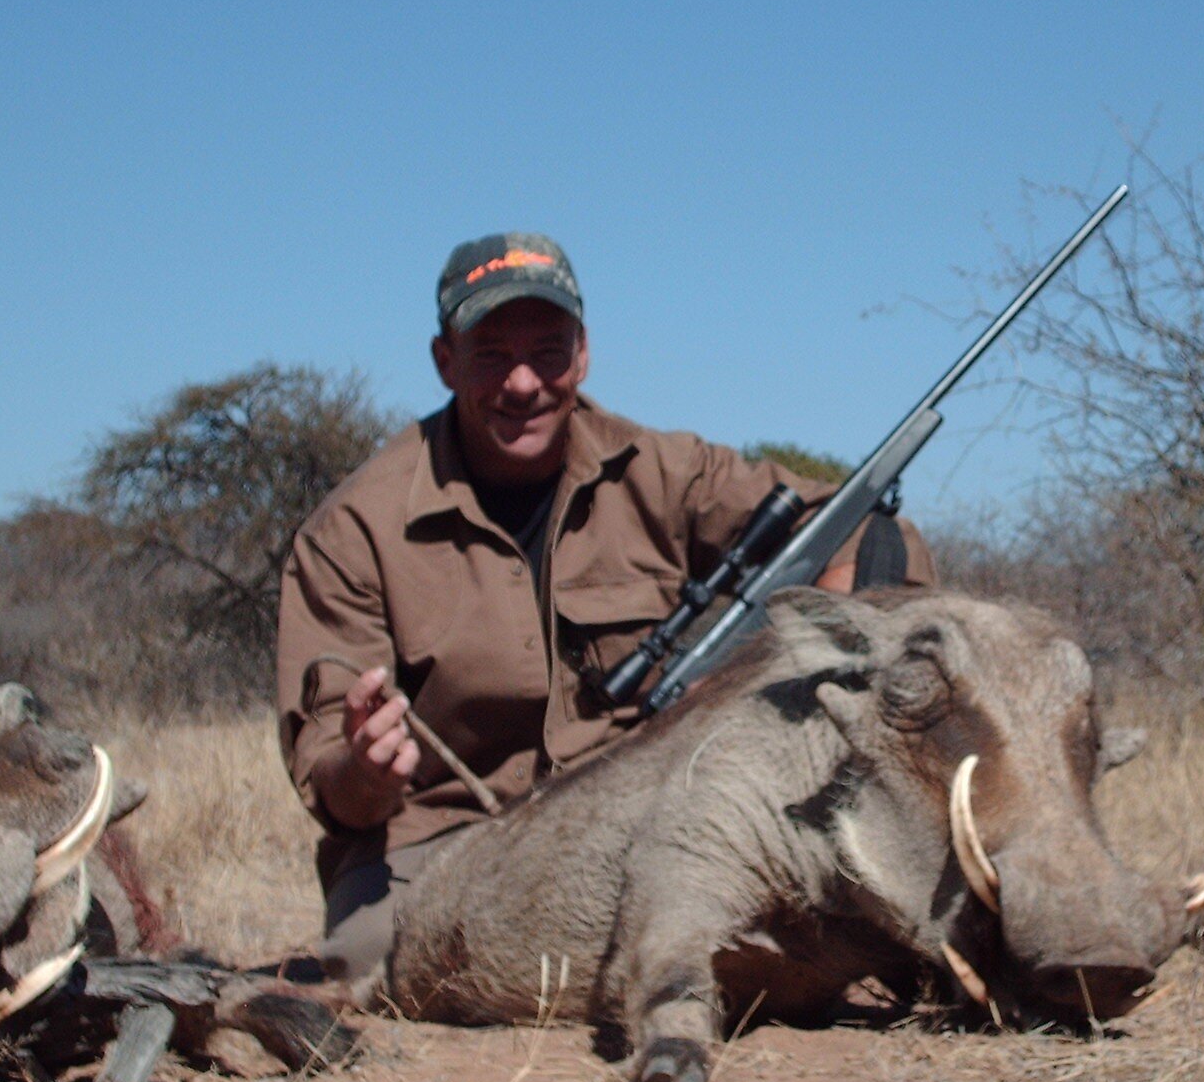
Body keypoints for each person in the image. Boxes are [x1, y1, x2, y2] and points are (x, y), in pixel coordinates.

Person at [276, 231, 932, 991]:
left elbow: (876, 536)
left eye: (548, 351)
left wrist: (778, 672)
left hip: (644, 826)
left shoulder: (669, 470)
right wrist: (365, 770)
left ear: (582, 355)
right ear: (444, 361)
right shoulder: (350, 530)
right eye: (490, 354)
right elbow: (334, 787)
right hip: (442, 851)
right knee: (372, 967)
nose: (523, 383)